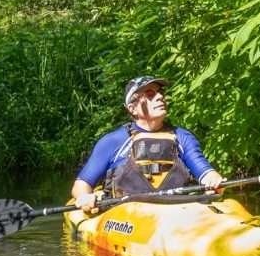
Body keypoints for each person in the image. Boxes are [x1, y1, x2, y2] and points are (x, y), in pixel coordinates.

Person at [71, 76, 224, 212]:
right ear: (133, 108)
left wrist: (214, 181)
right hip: (127, 214)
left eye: (160, 93)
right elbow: (81, 185)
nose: (160, 97)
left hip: (177, 209)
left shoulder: (182, 137)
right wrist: (85, 197)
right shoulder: (113, 141)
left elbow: (206, 173)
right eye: (150, 94)